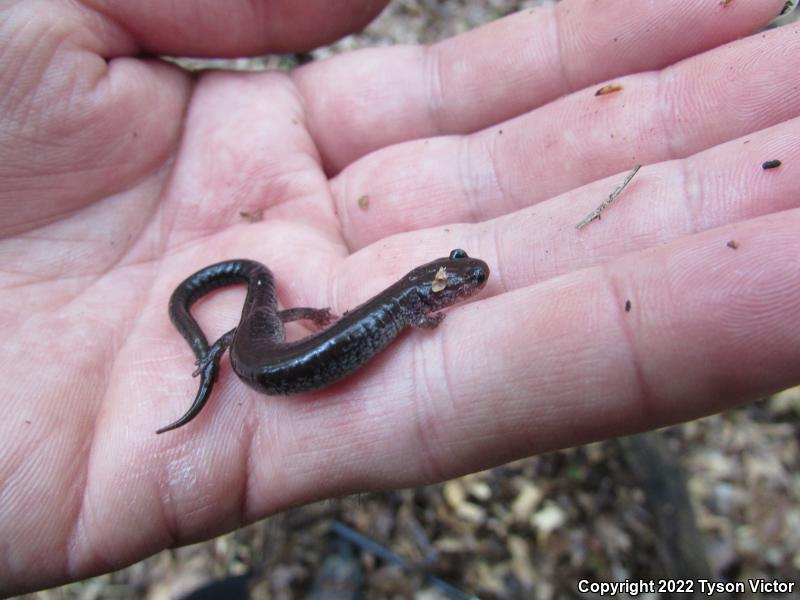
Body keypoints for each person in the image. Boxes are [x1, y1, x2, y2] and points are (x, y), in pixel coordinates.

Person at [1, 0, 797, 594]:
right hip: (265, 362)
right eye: (456, 278)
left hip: (265, 350)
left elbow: (405, 311)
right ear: (433, 292)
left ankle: (216, 348)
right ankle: (208, 347)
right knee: (256, 311)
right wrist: (233, 353)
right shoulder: (415, 309)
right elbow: (413, 321)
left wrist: (275, 337)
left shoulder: (411, 299)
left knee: (258, 312)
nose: (461, 285)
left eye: (458, 279)